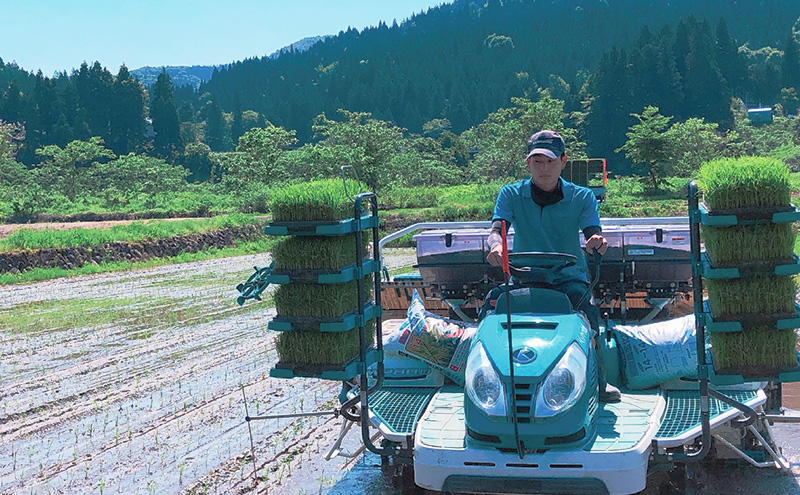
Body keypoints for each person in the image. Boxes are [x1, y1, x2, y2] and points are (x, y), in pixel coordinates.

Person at [486, 129, 621, 403]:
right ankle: (487, 382)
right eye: (537, 161)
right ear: (528, 163)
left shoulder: (582, 197)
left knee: (588, 314)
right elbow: (497, 230)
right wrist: (496, 246)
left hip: (568, 277)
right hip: (523, 277)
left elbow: (592, 233)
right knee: (490, 307)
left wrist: (596, 241)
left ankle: (599, 382)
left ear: (563, 161)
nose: (544, 168)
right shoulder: (511, 194)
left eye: (550, 161)